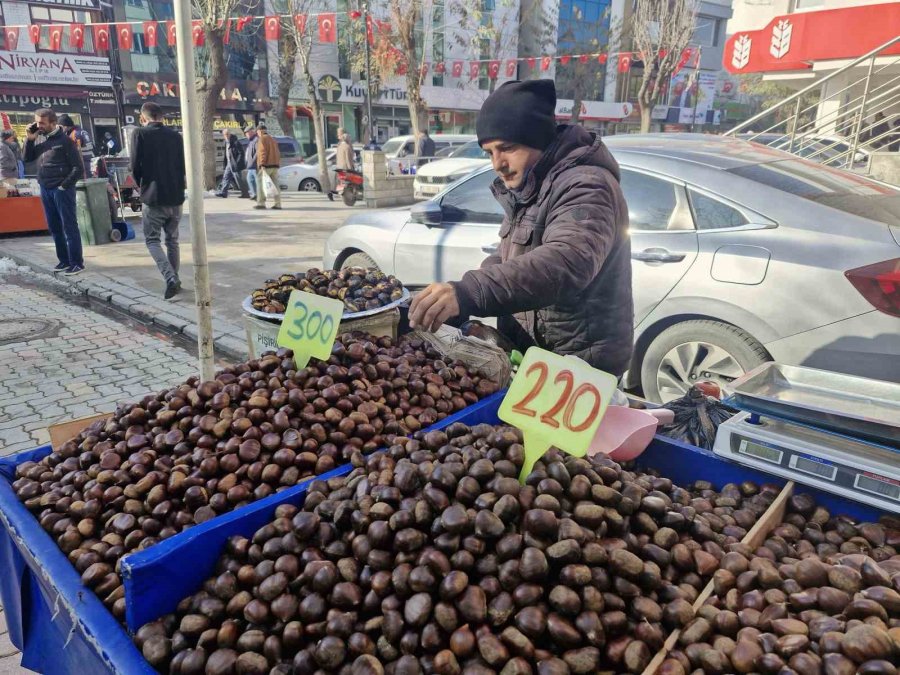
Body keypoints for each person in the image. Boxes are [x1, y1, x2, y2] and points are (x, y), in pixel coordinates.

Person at [408, 80, 634, 377]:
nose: (497, 164)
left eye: (507, 148)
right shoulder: (531, 185)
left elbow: (567, 261)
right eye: (489, 152)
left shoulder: (587, 185)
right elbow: (512, 257)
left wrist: (470, 292)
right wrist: (458, 296)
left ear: (537, 138)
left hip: (580, 366)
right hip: (536, 357)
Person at [130, 101, 187, 299]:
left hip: (153, 196)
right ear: (162, 116)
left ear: (142, 117)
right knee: (172, 240)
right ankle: (175, 278)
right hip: (176, 196)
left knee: (152, 240)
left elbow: (134, 166)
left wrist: (141, 185)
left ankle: (170, 278)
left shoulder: (139, 133)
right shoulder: (175, 136)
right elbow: (182, 165)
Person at [24, 109, 84, 275]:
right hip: (46, 188)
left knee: (69, 226)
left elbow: (78, 168)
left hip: (61, 190)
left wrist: (64, 186)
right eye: (37, 122)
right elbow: (27, 158)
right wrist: (29, 140)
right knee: (54, 227)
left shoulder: (65, 141)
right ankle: (64, 260)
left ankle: (77, 263)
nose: (38, 126)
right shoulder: (43, 140)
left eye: (42, 123)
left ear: (53, 123)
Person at [254, 123, 281, 210]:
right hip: (275, 165)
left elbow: (262, 152)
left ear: (259, 131)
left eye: (257, 132)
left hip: (266, 165)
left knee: (260, 183)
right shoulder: (273, 139)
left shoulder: (262, 139)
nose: (257, 134)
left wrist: (262, 164)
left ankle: (261, 203)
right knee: (276, 185)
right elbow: (278, 152)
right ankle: (278, 204)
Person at [216, 129, 248, 198]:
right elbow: (226, 154)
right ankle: (223, 193)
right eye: (225, 134)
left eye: (227, 134)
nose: (226, 136)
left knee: (239, 179)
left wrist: (237, 162)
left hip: (235, 164)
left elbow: (241, 153)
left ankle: (245, 193)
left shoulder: (235, 142)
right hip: (229, 163)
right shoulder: (226, 142)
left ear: (230, 134)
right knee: (226, 177)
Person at [327, 132, 355, 201]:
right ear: (347, 139)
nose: (350, 140)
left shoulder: (339, 147)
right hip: (345, 168)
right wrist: (351, 169)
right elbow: (348, 159)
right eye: (349, 138)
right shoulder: (347, 147)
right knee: (347, 182)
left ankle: (331, 192)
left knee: (339, 182)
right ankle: (347, 196)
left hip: (339, 167)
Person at [243, 125, 258, 201]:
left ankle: (258, 195)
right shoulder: (251, 141)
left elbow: (257, 153)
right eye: (246, 133)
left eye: (247, 133)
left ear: (252, 132)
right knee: (250, 179)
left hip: (255, 165)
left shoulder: (256, 140)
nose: (246, 135)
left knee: (257, 181)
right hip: (251, 166)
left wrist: (253, 161)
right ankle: (255, 194)